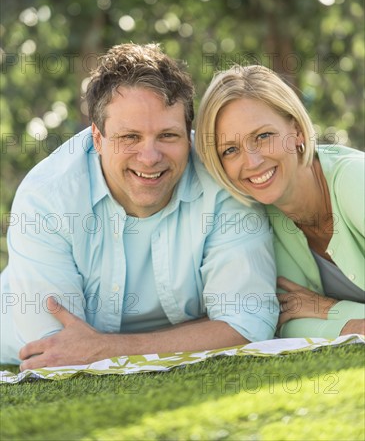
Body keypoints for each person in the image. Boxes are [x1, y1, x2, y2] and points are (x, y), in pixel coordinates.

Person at [0, 45, 278, 369]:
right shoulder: (46, 198)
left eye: (168, 136)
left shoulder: (221, 184)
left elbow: (248, 325)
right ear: (98, 138)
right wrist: (199, 335)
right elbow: (60, 349)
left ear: (188, 135)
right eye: (130, 137)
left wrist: (110, 350)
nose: (150, 157)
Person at [195, 64, 365, 338]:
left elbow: (317, 316)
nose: (252, 162)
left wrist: (333, 311)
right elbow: (288, 322)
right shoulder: (261, 218)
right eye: (230, 150)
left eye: (263, 136)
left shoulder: (355, 181)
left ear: (296, 130)